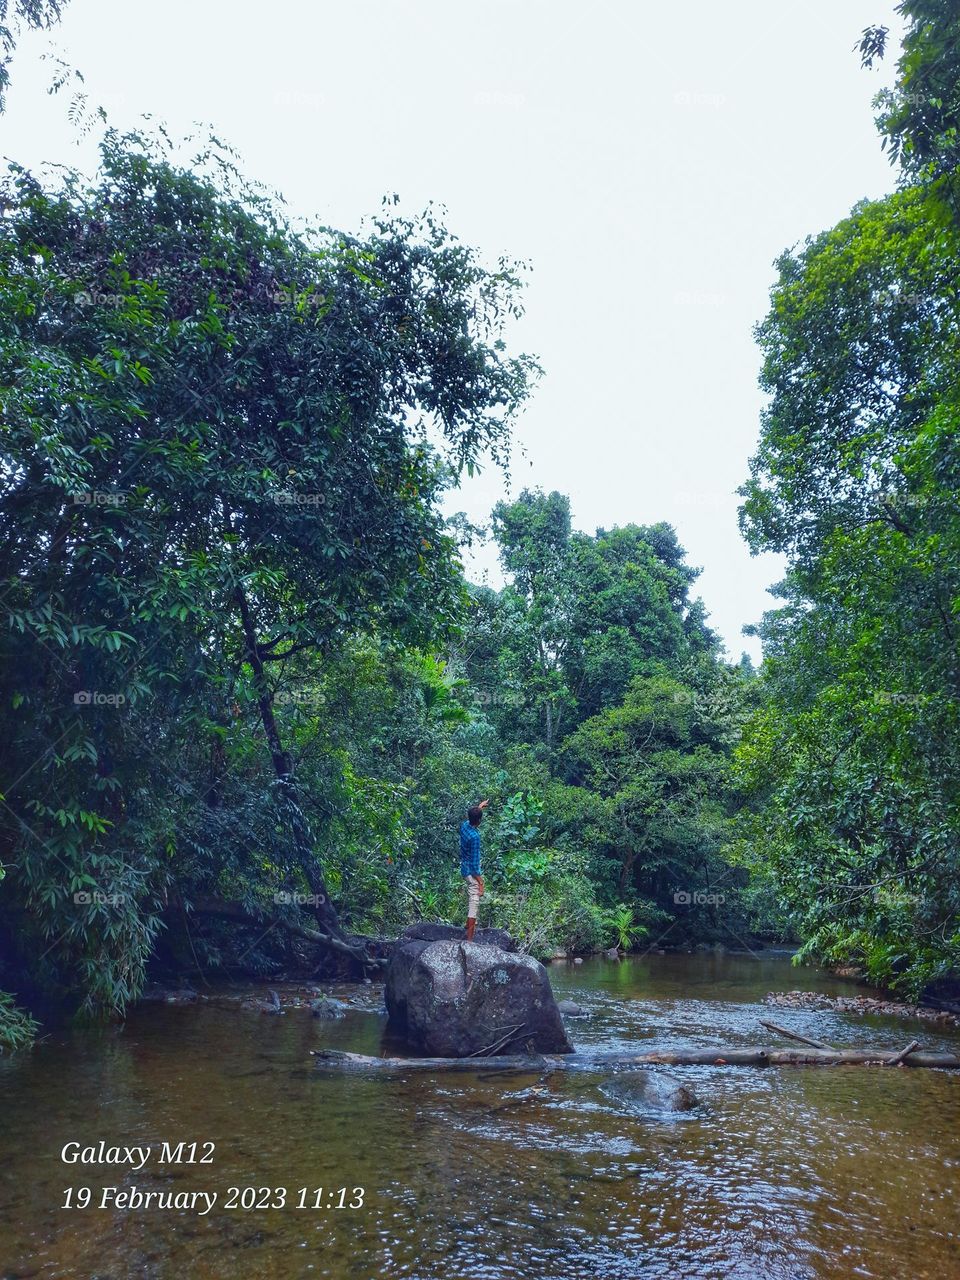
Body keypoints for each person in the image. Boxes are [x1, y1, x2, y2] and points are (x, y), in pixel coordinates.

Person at [459, 799, 489, 940]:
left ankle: (467, 926)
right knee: (474, 903)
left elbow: (472, 818)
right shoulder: (475, 837)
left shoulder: (465, 826)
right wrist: (481, 883)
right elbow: (474, 865)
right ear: (479, 821)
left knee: (472, 898)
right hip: (471, 873)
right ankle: (469, 942)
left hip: (464, 869)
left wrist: (479, 807)